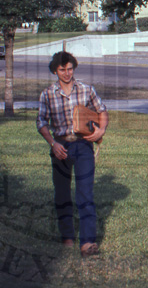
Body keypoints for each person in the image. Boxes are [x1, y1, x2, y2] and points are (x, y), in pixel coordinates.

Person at [37, 51, 108, 257]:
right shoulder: (47, 94)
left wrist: (101, 131)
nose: (67, 73)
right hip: (61, 146)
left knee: (85, 193)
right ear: (55, 71)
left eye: (70, 69)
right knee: (62, 193)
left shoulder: (87, 90)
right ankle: (67, 236)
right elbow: (41, 122)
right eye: (62, 70)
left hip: (83, 146)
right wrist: (52, 144)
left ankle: (88, 242)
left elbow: (102, 111)